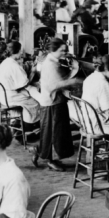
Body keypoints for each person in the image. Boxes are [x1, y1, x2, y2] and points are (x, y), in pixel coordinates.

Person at [31, 38, 80, 172]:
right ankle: (50, 160)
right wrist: (73, 81)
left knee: (55, 132)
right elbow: (54, 85)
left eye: (65, 50)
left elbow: (57, 81)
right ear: (53, 50)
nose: (65, 52)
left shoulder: (53, 61)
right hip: (52, 102)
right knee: (54, 132)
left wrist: (68, 86)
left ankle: (40, 150)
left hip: (56, 99)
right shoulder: (51, 64)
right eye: (62, 50)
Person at [0, 42, 41, 125]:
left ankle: (17, 121)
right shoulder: (14, 65)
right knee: (36, 102)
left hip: (4, 97)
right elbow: (25, 84)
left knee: (33, 92)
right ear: (17, 51)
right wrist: (33, 72)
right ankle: (30, 126)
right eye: (21, 50)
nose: (22, 52)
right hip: (13, 98)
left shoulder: (5, 62)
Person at [80, 54, 109, 135]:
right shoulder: (103, 84)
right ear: (106, 68)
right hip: (97, 126)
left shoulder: (89, 78)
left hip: (86, 122)